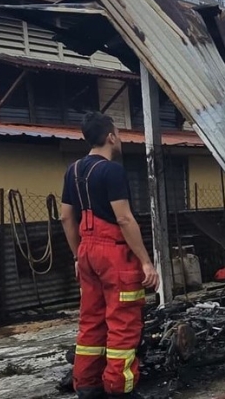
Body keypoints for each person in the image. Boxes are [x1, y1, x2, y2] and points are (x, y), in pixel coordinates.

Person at [60, 112, 159, 399]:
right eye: (118, 133)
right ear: (109, 137)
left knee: (91, 321)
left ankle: (88, 387)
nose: (120, 138)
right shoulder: (112, 171)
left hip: (86, 250)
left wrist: (78, 255)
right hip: (113, 253)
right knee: (123, 322)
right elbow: (125, 219)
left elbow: (66, 217)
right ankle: (119, 389)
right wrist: (145, 261)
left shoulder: (73, 170)